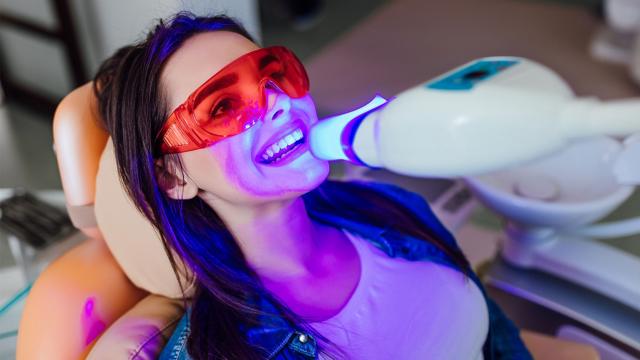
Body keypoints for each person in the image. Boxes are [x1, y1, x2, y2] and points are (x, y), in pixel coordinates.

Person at [93, 13, 532, 360]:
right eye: (224, 105)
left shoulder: (389, 205)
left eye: (274, 74)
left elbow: (496, 340)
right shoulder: (220, 352)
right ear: (173, 176)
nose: (280, 103)